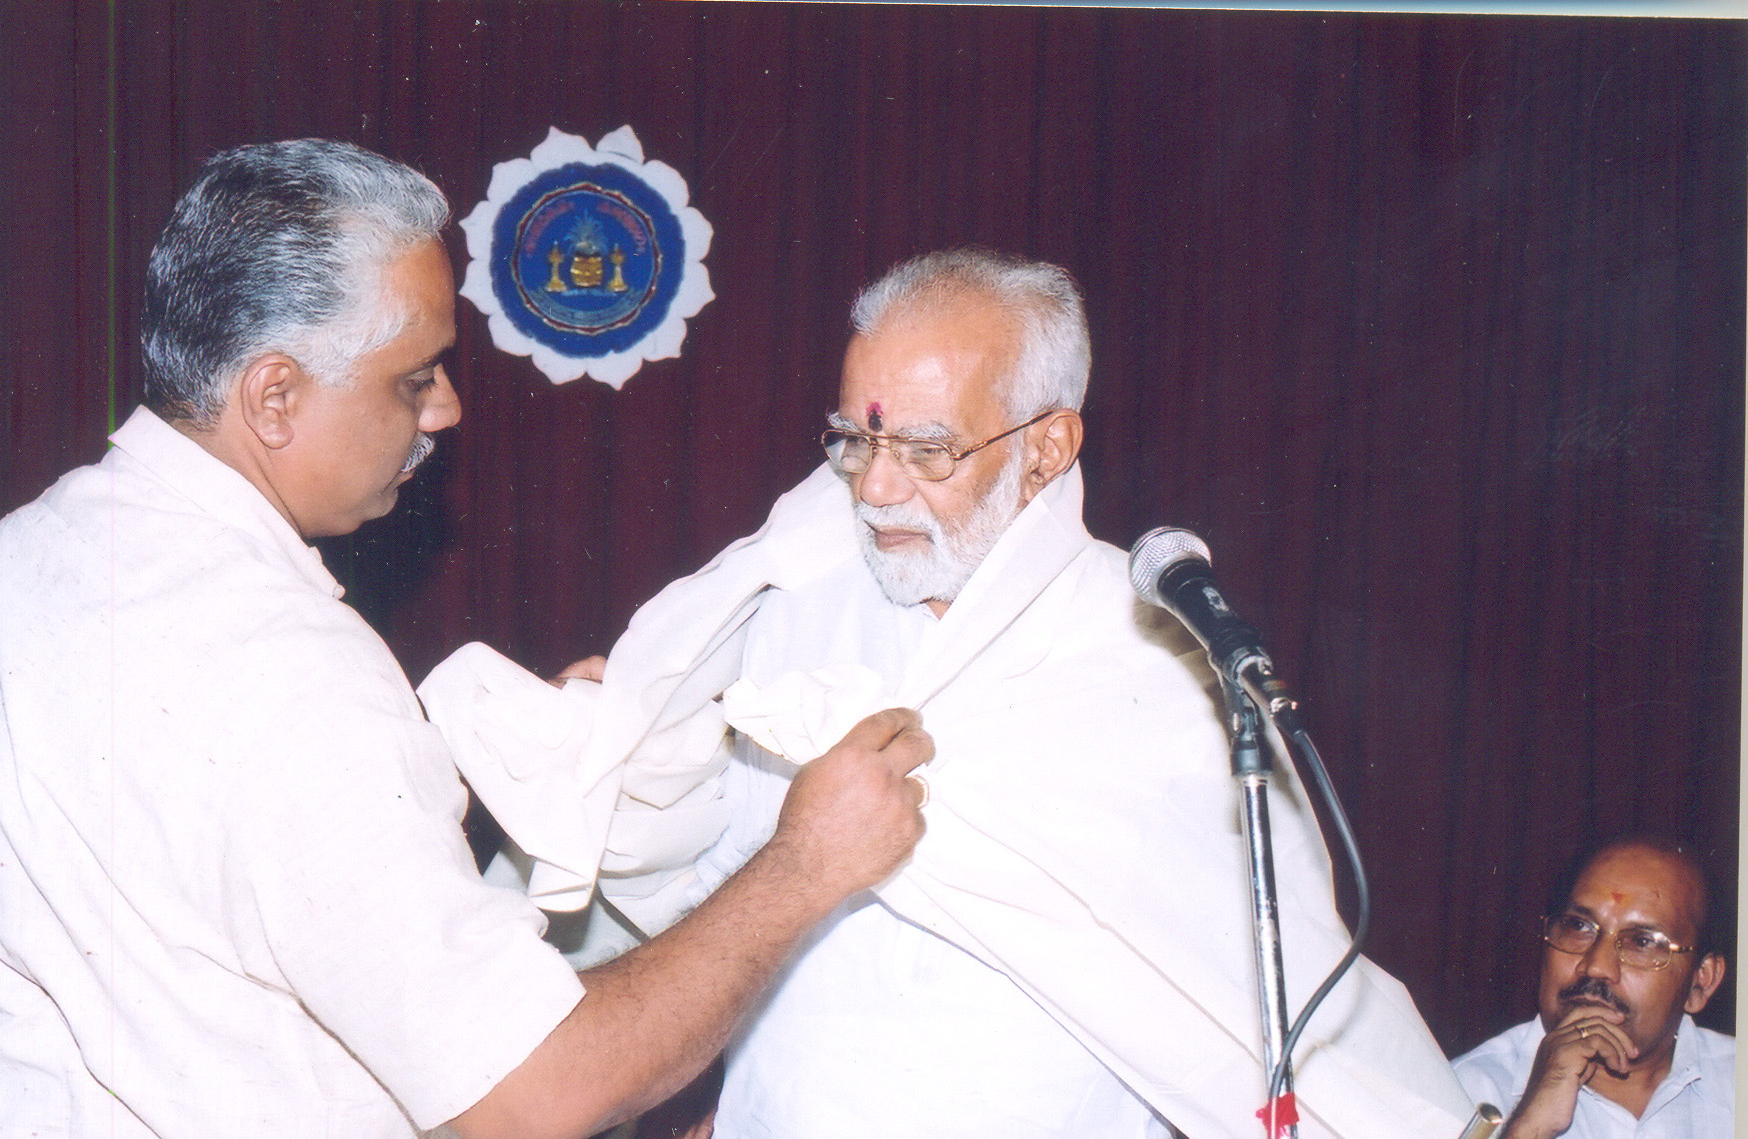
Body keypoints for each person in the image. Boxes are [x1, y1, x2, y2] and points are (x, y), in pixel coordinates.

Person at [0, 138, 932, 1139]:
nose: (446, 408)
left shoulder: (12, 559)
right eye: (413, 378)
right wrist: (802, 862)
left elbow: (196, 850)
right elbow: (534, 1097)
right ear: (274, 397)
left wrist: (437, 781)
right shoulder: (291, 666)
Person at [429, 249, 1473, 1138]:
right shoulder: (789, 606)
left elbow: (1261, 1007)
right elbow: (709, 884)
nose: (877, 488)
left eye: (927, 449)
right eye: (855, 438)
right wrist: (634, 770)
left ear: (1046, 448)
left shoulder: (1157, 662)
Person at [1452, 838, 1733, 1138]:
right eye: (1579, 926)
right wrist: (1527, 1128)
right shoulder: (1462, 1094)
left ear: (1700, 982)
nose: (1596, 966)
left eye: (1642, 942)